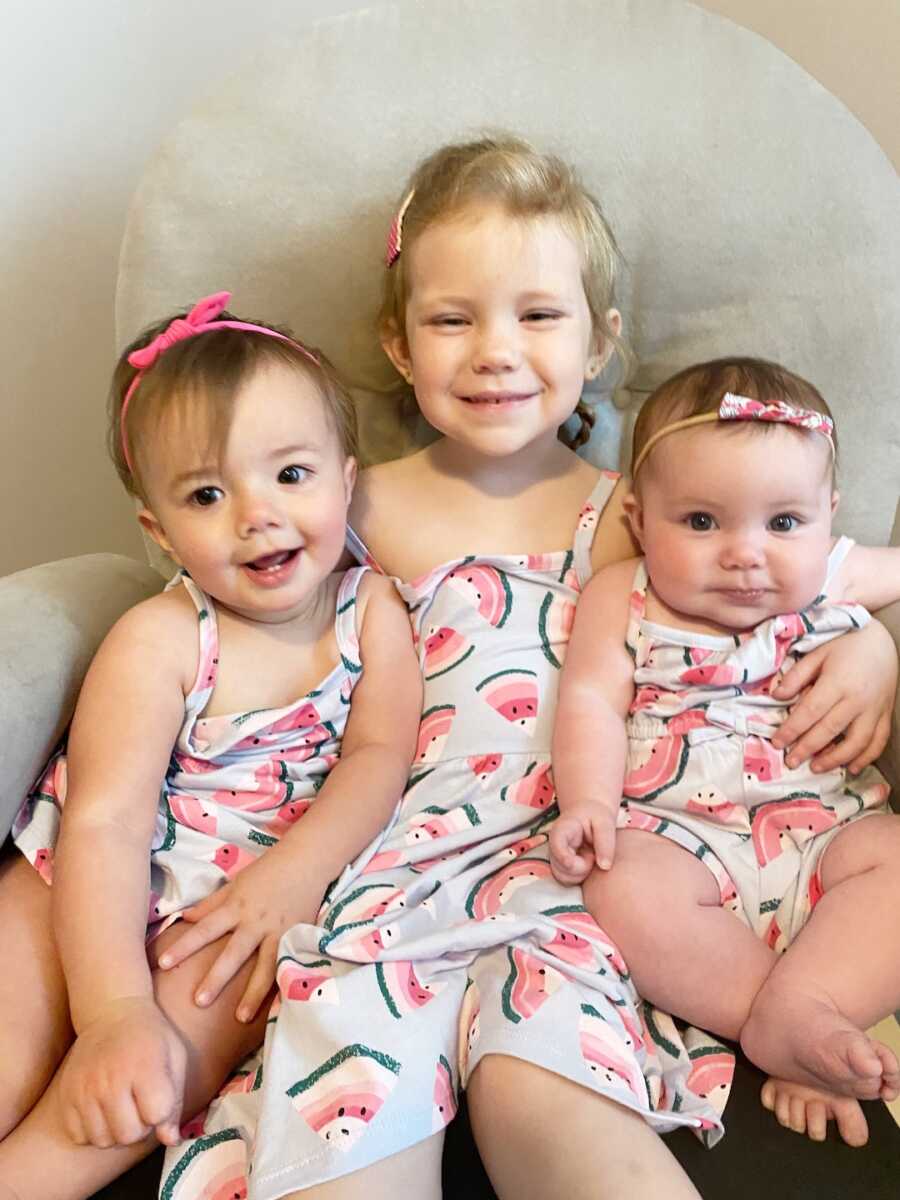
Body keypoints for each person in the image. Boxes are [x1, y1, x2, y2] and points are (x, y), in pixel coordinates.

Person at [159, 140, 898, 1200]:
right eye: (453, 319)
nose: (495, 352)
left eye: (538, 316)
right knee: (349, 1113)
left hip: (576, 871)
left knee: (561, 1093)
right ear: (397, 344)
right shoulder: (347, 503)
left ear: (599, 342)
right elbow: (253, 624)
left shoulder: (637, 514)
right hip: (398, 859)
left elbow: (766, 592)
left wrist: (869, 644)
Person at [0, 292, 421, 1200]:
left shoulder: (373, 613)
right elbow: (105, 821)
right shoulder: (160, 638)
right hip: (75, 876)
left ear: (347, 480)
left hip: (238, 904)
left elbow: (380, 757)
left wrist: (297, 873)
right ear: (158, 530)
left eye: (291, 475)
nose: (256, 516)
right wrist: (110, 1007)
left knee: (140, 1083)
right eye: (206, 494)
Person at [550, 356, 900, 1150]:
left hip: (826, 835)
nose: (746, 553)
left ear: (828, 515)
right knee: (619, 890)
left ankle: (804, 1007)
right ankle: (783, 1026)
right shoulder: (624, 593)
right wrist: (592, 803)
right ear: (641, 521)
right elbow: (592, 700)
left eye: (784, 524)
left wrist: (880, 645)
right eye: (702, 523)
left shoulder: (833, 573)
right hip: (683, 842)